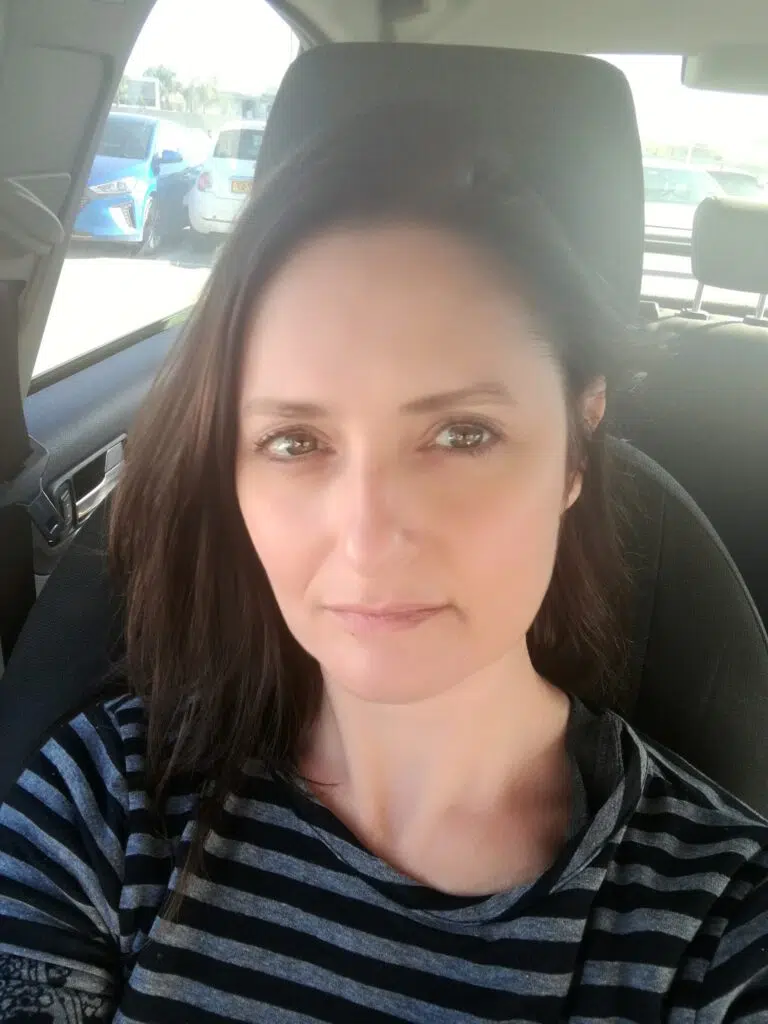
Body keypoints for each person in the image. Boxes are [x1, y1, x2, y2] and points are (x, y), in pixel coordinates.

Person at [1, 105, 767, 1024]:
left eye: (463, 434)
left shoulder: (724, 928)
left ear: (576, 445)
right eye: (295, 442)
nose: (366, 540)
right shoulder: (107, 801)